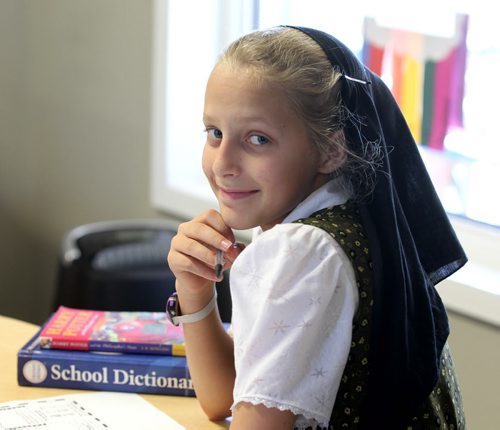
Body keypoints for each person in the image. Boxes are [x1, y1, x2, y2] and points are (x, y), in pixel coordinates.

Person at [167, 25, 467, 429]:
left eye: (258, 139)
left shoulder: (301, 251)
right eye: (215, 133)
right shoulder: (342, 218)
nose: (223, 164)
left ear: (330, 149)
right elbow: (222, 398)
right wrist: (194, 289)